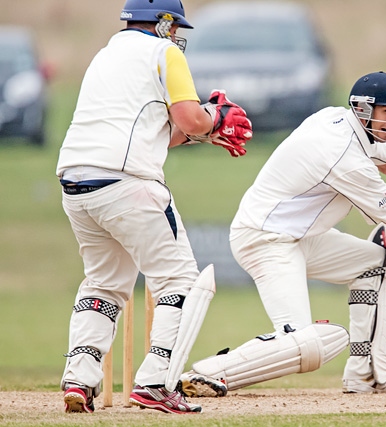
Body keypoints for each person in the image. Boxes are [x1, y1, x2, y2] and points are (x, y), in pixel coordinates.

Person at [179, 71, 386, 396]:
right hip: (265, 239)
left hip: (301, 237)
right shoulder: (344, 156)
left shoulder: (338, 120)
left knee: (379, 261)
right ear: (362, 109)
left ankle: (366, 374)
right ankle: (209, 373)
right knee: (303, 342)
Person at [56, 0, 252, 414]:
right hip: (127, 185)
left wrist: (202, 131)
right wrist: (215, 117)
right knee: (178, 278)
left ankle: (79, 377)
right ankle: (156, 382)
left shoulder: (105, 55)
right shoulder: (165, 52)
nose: (178, 36)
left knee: (103, 283)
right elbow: (192, 120)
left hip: (77, 183)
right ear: (163, 24)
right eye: (175, 27)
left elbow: (159, 132)